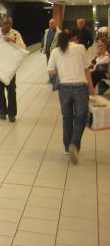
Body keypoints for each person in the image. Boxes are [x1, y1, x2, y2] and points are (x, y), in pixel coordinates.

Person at [47, 29, 95, 164]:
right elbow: (86, 70)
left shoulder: (55, 51)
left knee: (67, 117)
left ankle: (68, 147)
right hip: (80, 87)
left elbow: (50, 71)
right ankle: (75, 143)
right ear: (74, 38)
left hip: (64, 88)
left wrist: (61, 69)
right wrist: (91, 89)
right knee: (81, 117)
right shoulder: (80, 48)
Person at [0, 16, 26, 122]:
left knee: (11, 91)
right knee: (0, 91)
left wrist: (13, 42)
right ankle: (2, 112)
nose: (8, 25)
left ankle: (12, 114)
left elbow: (23, 48)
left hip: (10, 68)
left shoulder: (16, 34)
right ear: (2, 24)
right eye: (6, 23)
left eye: (10, 24)